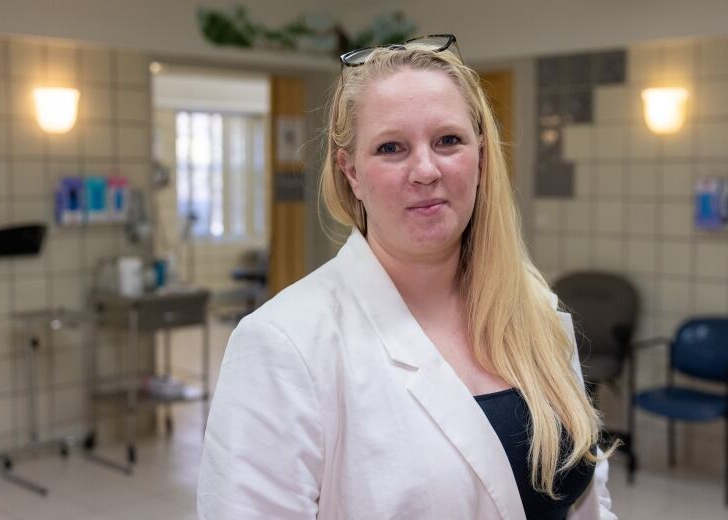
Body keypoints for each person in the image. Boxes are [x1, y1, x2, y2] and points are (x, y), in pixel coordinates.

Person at [197, 34, 616, 520]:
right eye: (392, 147)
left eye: (448, 141)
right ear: (350, 170)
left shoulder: (536, 312)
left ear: (481, 155)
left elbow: (591, 502)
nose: (425, 170)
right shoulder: (283, 345)